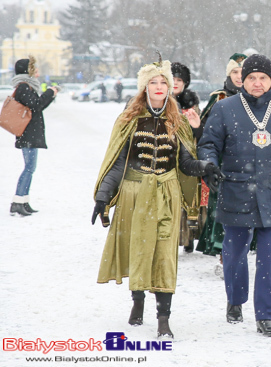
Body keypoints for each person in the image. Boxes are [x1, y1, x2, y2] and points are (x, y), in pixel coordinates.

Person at [92, 55, 222, 340]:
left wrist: (204, 168)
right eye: (154, 82)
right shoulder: (130, 120)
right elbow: (118, 162)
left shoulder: (177, 120)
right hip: (134, 193)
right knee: (138, 248)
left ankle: (164, 319)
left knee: (164, 254)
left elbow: (185, 161)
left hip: (166, 193)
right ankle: (137, 304)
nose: (160, 86)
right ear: (144, 87)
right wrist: (103, 196)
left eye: (164, 82)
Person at [198, 54, 271, 338]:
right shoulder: (225, 108)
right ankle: (235, 300)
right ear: (243, 80)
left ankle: (265, 315)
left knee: (269, 256)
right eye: (252, 78)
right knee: (235, 252)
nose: (257, 83)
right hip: (237, 190)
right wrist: (210, 165)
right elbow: (209, 143)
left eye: (263, 77)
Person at [196, 53, 248, 275]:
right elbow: (206, 133)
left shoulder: (256, 96)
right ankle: (223, 255)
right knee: (222, 211)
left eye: (242, 72)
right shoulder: (219, 98)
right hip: (224, 165)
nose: (239, 76)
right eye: (234, 72)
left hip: (250, 163)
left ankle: (241, 252)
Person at [9, 56, 58, 216]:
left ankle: (23, 201)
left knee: (30, 168)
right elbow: (37, 105)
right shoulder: (24, 87)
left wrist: (51, 95)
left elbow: (38, 106)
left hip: (29, 133)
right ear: (27, 71)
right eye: (35, 70)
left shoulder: (28, 87)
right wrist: (50, 92)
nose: (37, 73)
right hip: (27, 133)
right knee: (29, 168)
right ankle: (17, 202)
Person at [171, 62, 202, 253]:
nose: (175, 83)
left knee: (187, 198)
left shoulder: (190, 102)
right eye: (172, 79)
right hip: (166, 154)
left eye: (179, 80)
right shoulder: (158, 100)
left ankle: (187, 237)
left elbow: (196, 130)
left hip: (186, 153)